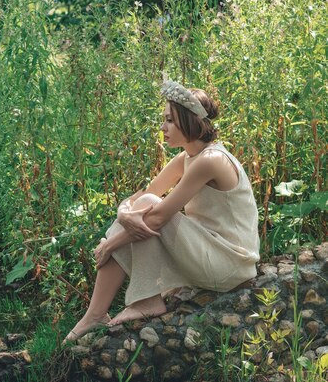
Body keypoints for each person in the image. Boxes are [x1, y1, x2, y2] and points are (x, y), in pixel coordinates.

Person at [64, 79, 260, 343]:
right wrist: (124, 213)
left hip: (231, 264)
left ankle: (141, 301)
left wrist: (110, 244)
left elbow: (157, 216)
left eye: (169, 120)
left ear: (189, 122)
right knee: (143, 205)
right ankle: (96, 314)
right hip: (207, 250)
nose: (162, 127)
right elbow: (143, 194)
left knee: (148, 208)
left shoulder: (211, 161)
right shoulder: (186, 158)